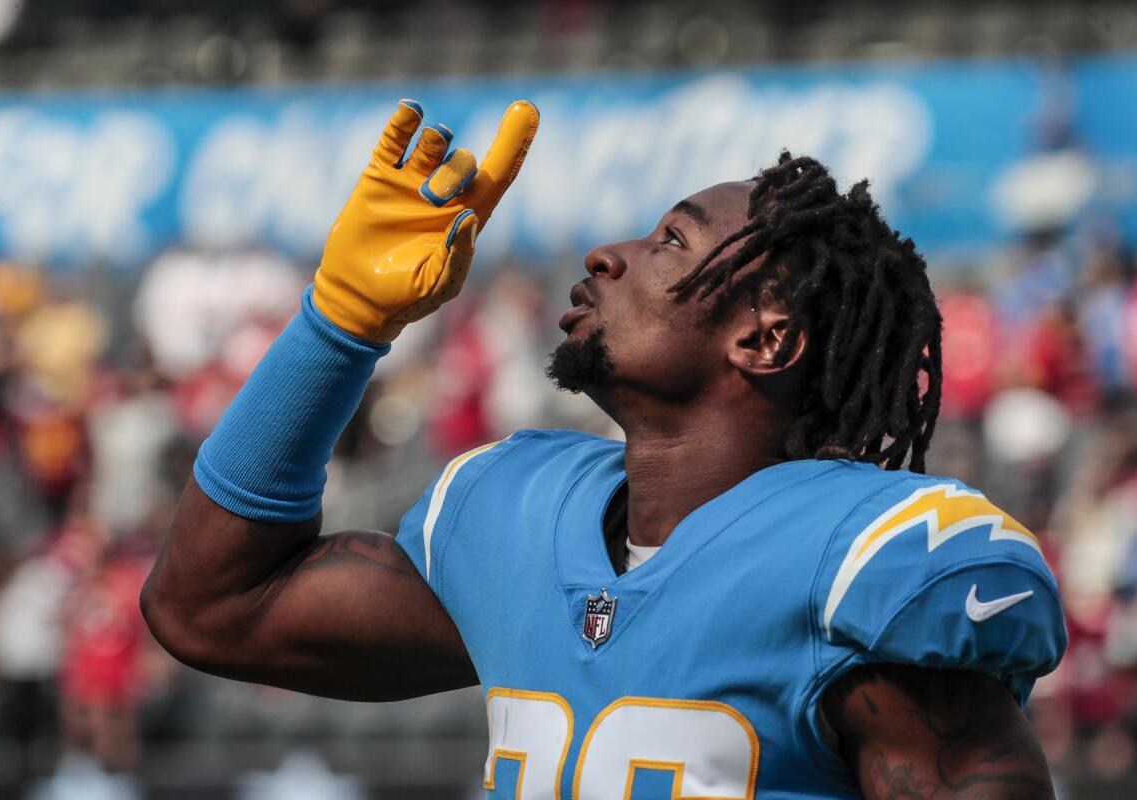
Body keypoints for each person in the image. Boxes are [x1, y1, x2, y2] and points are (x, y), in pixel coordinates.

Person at [141, 99, 1067, 799]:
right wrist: (337, 326)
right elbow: (209, 609)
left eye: (671, 240)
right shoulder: (513, 512)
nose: (606, 255)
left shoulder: (857, 565)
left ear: (764, 339)